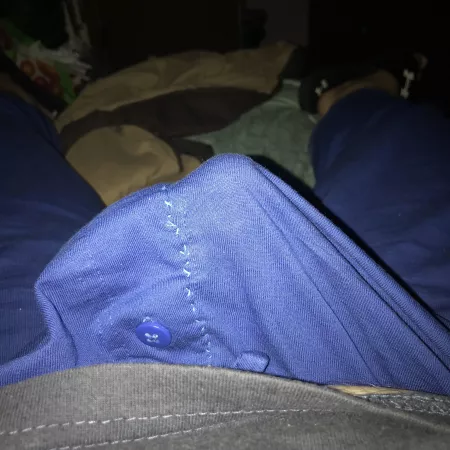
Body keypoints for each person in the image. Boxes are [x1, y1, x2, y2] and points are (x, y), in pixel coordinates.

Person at [1, 55, 450, 449]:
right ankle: (355, 99)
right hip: (410, 390)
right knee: (410, 176)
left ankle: (12, 106)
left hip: (37, 405)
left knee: (19, 192)